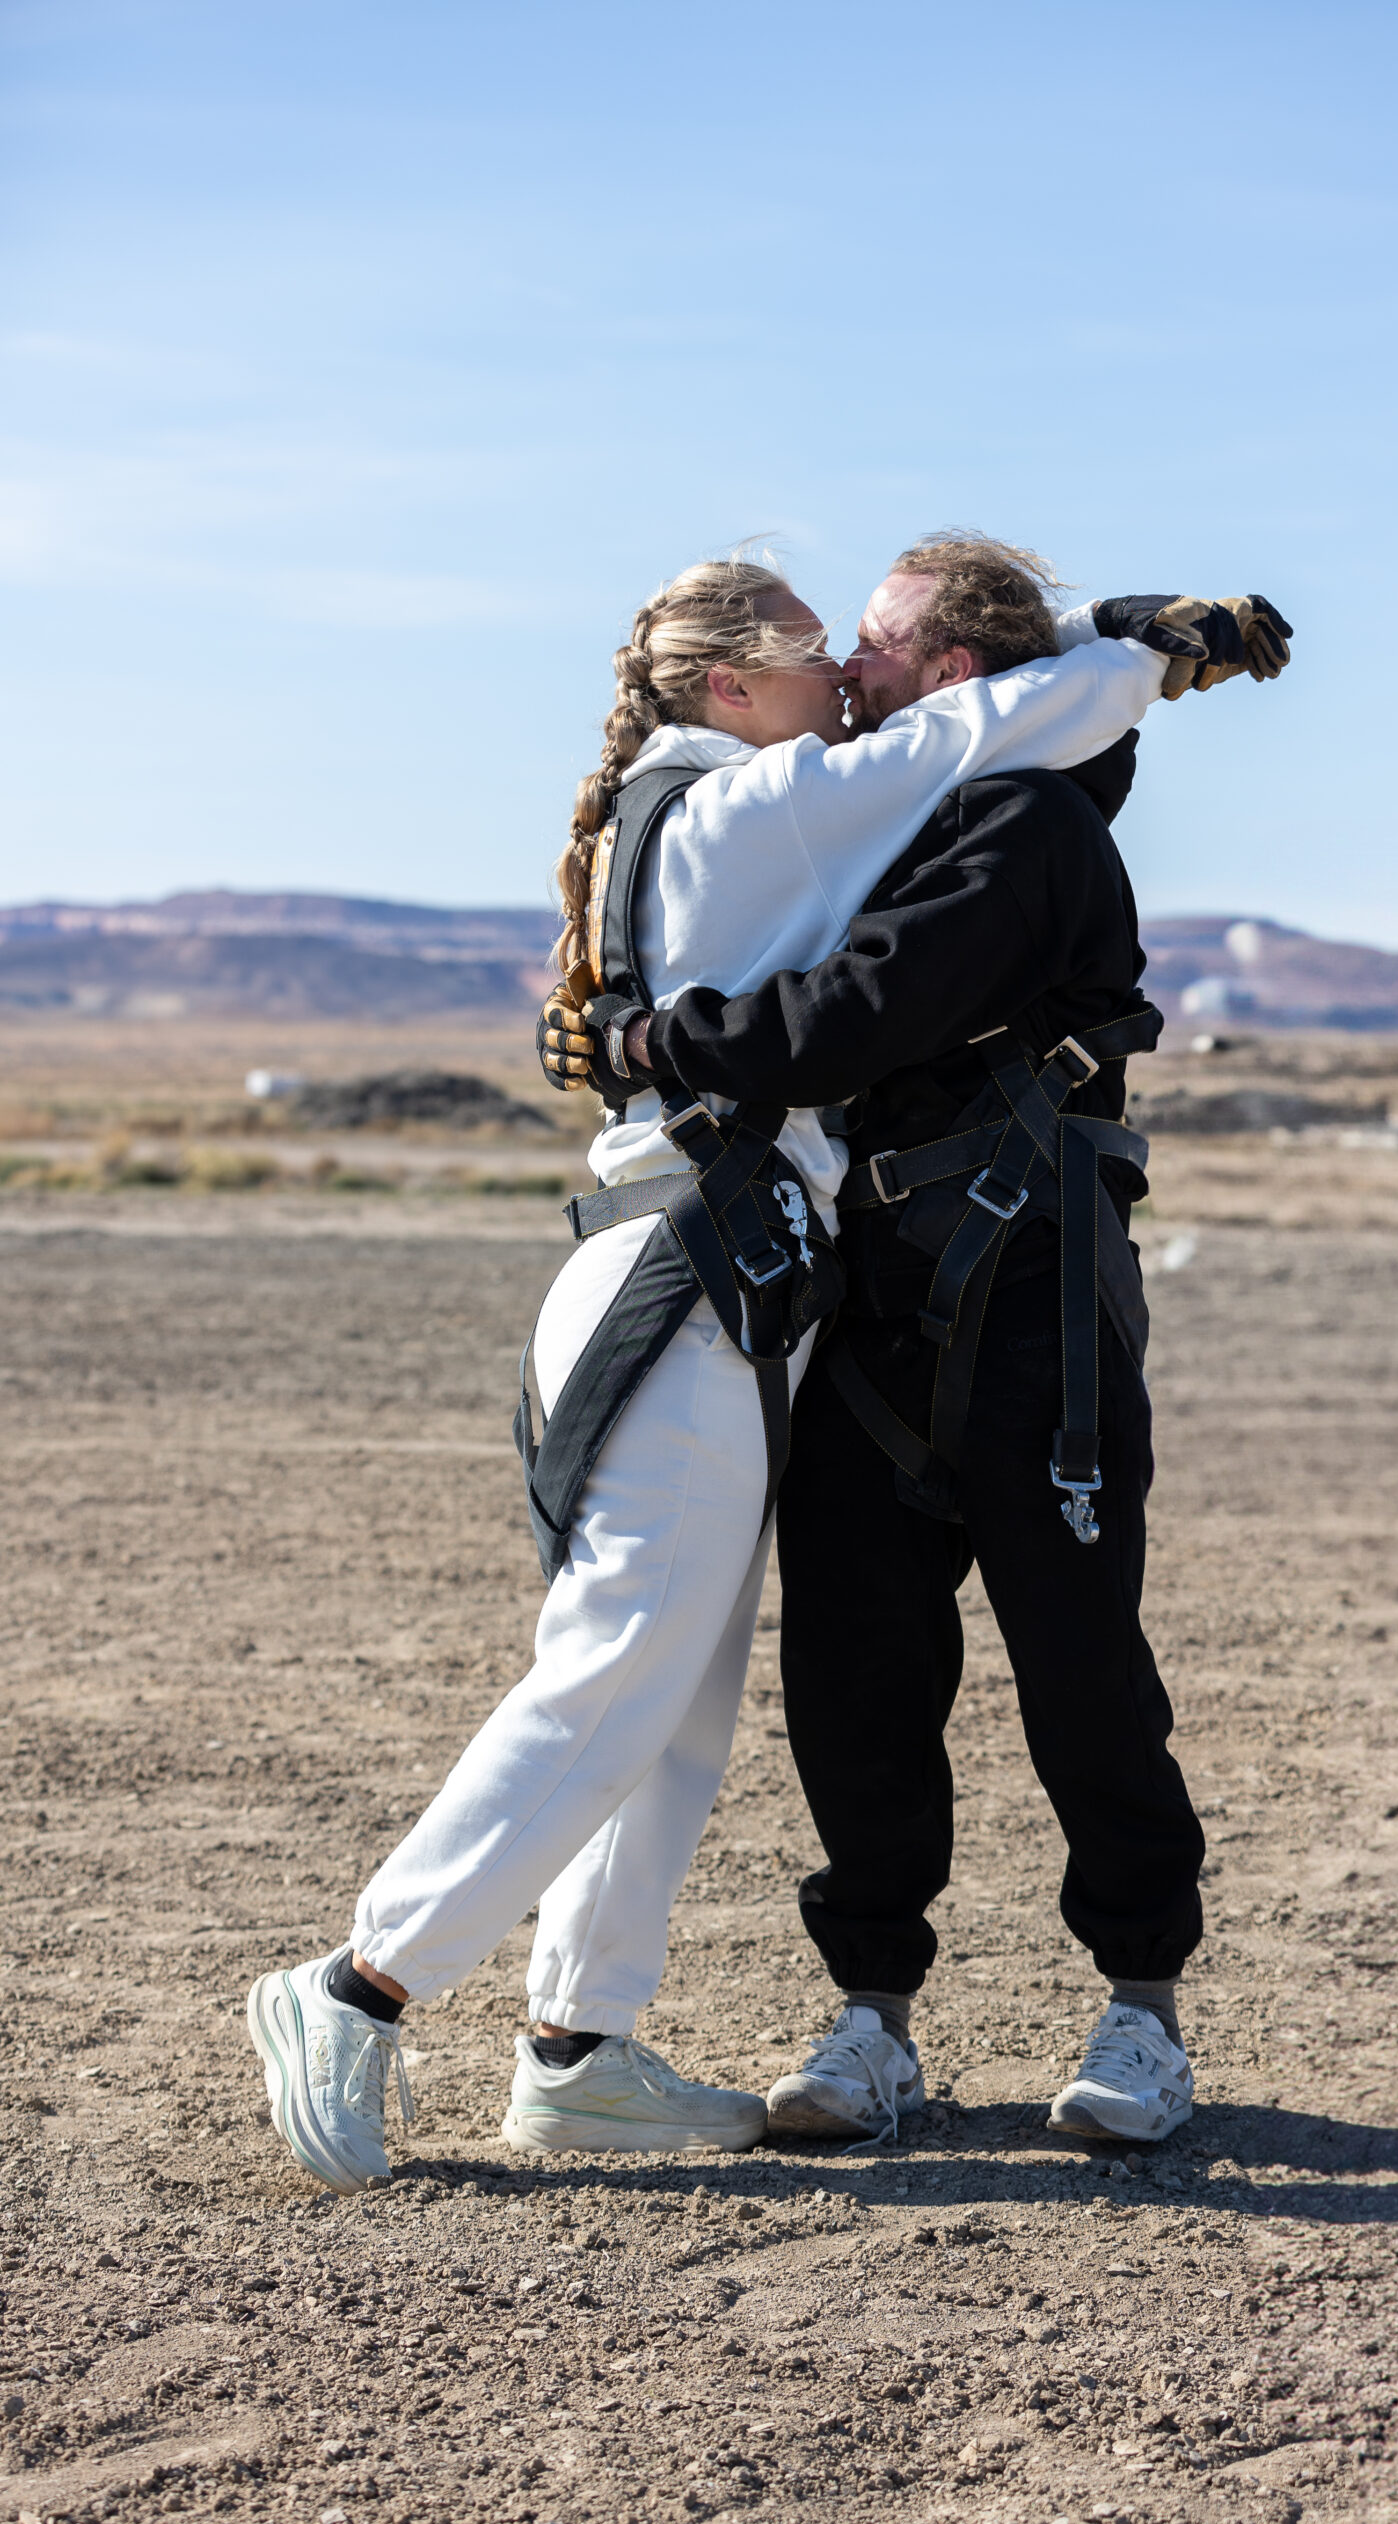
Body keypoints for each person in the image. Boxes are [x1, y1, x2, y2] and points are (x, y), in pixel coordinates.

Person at [247, 543, 1197, 2194]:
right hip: (697, 1274)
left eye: (873, 647)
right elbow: (943, 819)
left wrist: (1106, 648)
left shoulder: (804, 806)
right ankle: (360, 1984)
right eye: (827, 653)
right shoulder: (754, 806)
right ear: (734, 686)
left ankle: (580, 2049)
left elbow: (1020, 780)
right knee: (649, 1667)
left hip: (775, 1279)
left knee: (685, 1697)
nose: (847, 682)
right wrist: (1132, 643)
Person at [558, 537, 1293, 2147]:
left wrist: (642, 1038)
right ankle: (869, 2016)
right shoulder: (887, 812)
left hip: (1036, 1302)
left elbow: (857, 1014)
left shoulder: (1020, 829)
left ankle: (1142, 2015)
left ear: (953, 677)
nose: (850, 680)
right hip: (873, 1303)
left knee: (1080, 1660)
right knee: (856, 1665)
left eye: (876, 649)